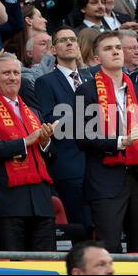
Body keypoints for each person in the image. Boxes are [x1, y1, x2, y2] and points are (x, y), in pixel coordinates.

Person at [74, 31, 138, 253]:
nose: (116, 52)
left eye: (118, 47)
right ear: (97, 58)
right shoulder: (86, 90)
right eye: (108, 48)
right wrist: (121, 141)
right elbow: (83, 137)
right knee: (108, 246)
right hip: (105, 180)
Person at [0, 53, 57, 251]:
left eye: (16, 73)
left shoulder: (34, 112)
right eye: (6, 73)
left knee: (46, 265)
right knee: (13, 264)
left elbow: (50, 156)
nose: (13, 77)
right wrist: (26, 141)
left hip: (41, 203)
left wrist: (44, 142)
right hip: (6, 203)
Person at [35, 26, 91, 230]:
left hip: (97, 165)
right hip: (70, 165)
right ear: (53, 50)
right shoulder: (45, 82)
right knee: (81, 228)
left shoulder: (91, 79)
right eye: (63, 40)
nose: (69, 43)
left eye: (73, 39)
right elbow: (52, 121)